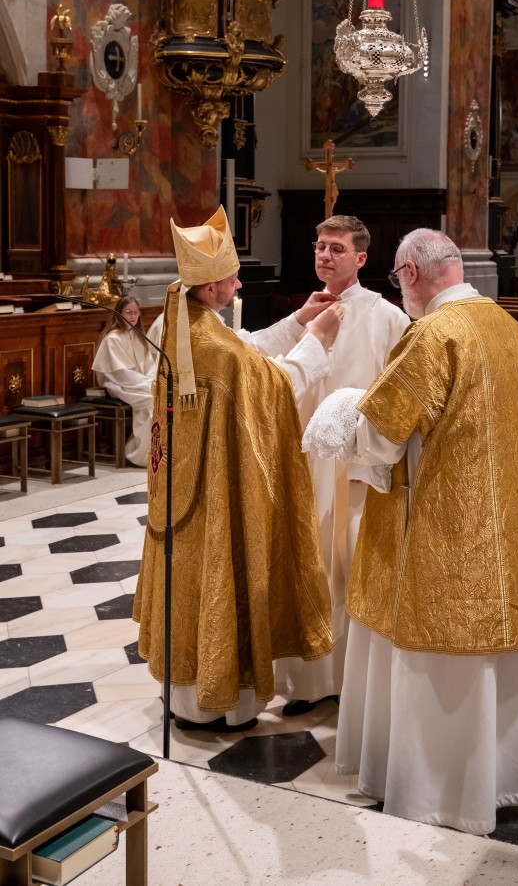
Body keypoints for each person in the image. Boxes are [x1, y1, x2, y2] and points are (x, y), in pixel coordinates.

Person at [303, 228, 518, 835]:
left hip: (441, 534)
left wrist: (341, 412)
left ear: (410, 273)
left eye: (398, 278)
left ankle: (436, 790)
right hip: (510, 532)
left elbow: (383, 434)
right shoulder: (509, 329)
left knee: (433, 649)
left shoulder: (435, 333)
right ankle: (505, 776)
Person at [133, 206, 343, 734]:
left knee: (190, 581)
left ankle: (184, 695)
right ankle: (220, 703)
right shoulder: (214, 347)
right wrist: (316, 340)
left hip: (181, 489)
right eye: (230, 278)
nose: (238, 282)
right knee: (221, 578)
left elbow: (245, 352)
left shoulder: (180, 324)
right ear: (209, 289)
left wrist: (295, 323)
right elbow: (272, 385)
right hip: (216, 493)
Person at [270, 215, 410, 716]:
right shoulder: (305, 313)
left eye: (336, 248)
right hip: (305, 464)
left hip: (357, 468)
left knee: (351, 570)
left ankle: (356, 682)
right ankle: (309, 683)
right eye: (319, 246)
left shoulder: (387, 316)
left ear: (361, 258)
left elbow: (398, 393)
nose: (325, 256)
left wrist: (372, 456)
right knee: (309, 567)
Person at [92, 295, 156, 467]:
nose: (133, 316)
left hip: (139, 383)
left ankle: (157, 450)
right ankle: (139, 454)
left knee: (160, 394)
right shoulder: (112, 338)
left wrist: (150, 380)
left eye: (136, 312)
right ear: (119, 314)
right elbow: (120, 373)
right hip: (118, 385)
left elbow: (150, 364)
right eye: (128, 312)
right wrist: (147, 384)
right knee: (152, 399)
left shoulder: (138, 336)